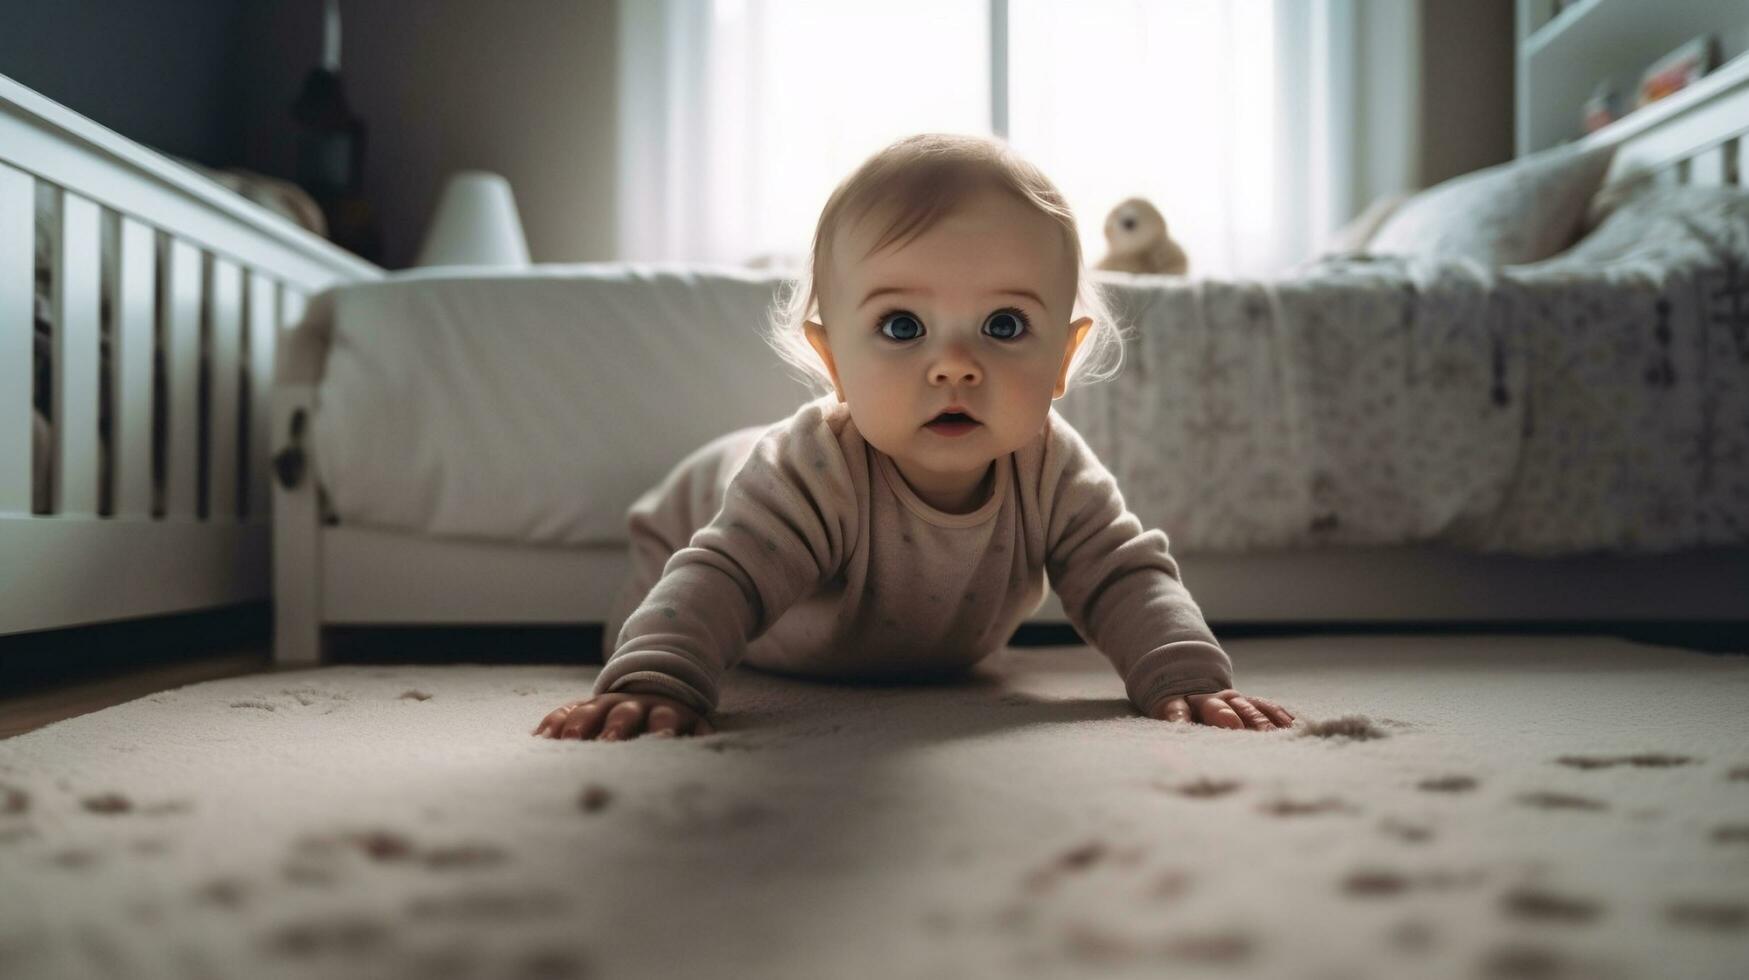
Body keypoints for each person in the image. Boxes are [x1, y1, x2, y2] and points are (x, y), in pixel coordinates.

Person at [533, 133, 1292, 742]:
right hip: (692, 519)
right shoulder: (814, 468)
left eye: (1004, 326)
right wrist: (654, 678)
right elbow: (725, 574)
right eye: (902, 327)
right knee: (651, 626)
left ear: (1062, 359)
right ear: (833, 362)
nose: (955, 367)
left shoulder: (1051, 468)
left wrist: (1187, 677)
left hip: (900, 640)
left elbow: (1124, 575)